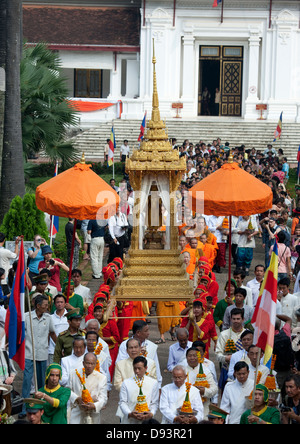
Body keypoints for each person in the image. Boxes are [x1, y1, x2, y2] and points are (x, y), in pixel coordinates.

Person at [19, 294, 57, 419]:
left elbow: (52, 333)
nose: (47, 307)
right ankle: (24, 408)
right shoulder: (27, 316)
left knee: (41, 381)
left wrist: (58, 347)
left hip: (42, 354)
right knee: (27, 381)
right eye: (45, 305)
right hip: (29, 353)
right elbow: (20, 333)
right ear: (38, 306)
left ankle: (41, 406)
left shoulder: (48, 318)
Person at [117, 356, 159, 424]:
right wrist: (130, 414)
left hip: (146, 419)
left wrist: (151, 414)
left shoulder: (153, 383)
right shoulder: (126, 382)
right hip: (130, 420)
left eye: (139, 368)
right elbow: (122, 402)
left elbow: (154, 403)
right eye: (135, 368)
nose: (137, 371)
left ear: (146, 368)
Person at [69, 352, 108, 424]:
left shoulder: (102, 378)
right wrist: (77, 398)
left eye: (92, 364)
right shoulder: (73, 374)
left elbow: (103, 398)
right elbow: (68, 391)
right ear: (83, 363)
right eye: (87, 363)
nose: (89, 366)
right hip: (77, 410)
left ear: (95, 364)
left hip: (93, 413)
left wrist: (94, 405)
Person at [183, 347, 218, 419]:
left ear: (198, 357)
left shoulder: (206, 371)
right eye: (190, 356)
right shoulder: (182, 371)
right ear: (186, 357)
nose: (192, 358)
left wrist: (204, 391)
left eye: (194, 355)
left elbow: (214, 389)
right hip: (186, 406)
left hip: (203, 405)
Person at [48, 293, 69, 365]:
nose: (59, 304)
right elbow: (50, 333)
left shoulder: (69, 317)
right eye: (57, 302)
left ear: (65, 303)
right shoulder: (50, 318)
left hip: (67, 350)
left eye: (61, 302)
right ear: (54, 304)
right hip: (53, 350)